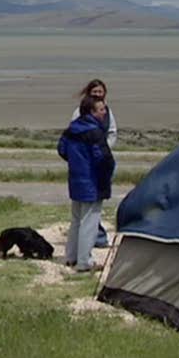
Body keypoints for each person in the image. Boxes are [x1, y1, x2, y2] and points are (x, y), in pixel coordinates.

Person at [58, 96, 116, 272]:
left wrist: (76, 163)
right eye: (101, 110)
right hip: (92, 181)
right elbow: (104, 158)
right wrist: (105, 176)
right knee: (89, 221)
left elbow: (62, 149)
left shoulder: (72, 129)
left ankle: (71, 256)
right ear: (91, 112)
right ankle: (84, 262)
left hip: (76, 179)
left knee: (76, 219)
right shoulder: (95, 132)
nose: (104, 112)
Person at [71, 79, 117, 247]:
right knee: (87, 211)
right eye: (95, 92)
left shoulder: (107, 113)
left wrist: (106, 149)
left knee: (90, 209)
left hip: (100, 160)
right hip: (86, 166)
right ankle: (86, 252)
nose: (98, 94)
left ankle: (89, 242)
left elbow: (112, 133)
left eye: (100, 92)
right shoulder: (79, 115)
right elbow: (69, 142)